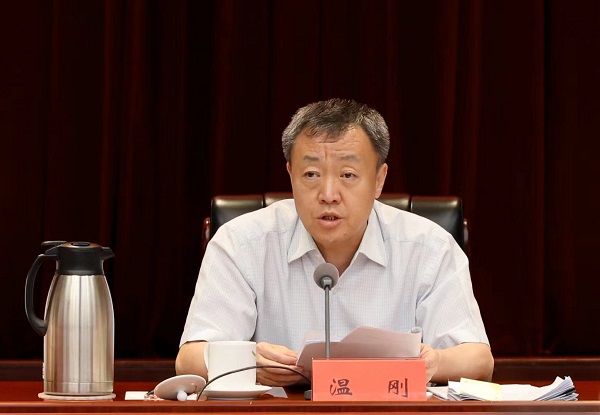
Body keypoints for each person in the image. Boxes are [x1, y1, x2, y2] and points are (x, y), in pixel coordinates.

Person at [176, 98, 494, 386]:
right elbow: (188, 359)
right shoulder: (240, 243)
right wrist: (248, 362)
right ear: (291, 175)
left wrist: (434, 363)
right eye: (311, 174)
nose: (328, 194)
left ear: (379, 180)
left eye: (348, 175)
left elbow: (479, 360)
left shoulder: (429, 247)